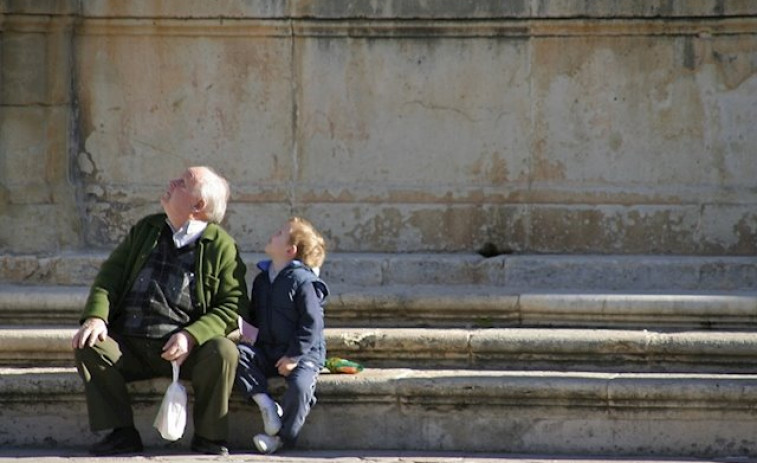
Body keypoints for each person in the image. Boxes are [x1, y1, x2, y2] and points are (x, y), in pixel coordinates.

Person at [71, 166, 249, 456]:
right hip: (132, 344)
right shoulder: (147, 229)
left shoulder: (221, 246)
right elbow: (110, 277)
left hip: (186, 353)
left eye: (183, 182)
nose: (171, 182)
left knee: (223, 351)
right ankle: (121, 433)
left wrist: (191, 336)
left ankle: (210, 437)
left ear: (198, 205)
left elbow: (234, 305)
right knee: (90, 345)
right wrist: (96, 317)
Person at [235, 217, 329, 454]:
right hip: (268, 349)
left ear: (290, 250)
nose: (272, 234)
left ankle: (282, 438)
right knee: (236, 355)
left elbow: (312, 323)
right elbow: (256, 316)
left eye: (279, 233)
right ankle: (266, 405)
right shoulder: (262, 280)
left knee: (300, 387)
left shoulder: (303, 281)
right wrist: (249, 334)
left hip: (302, 354)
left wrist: (294, 356)